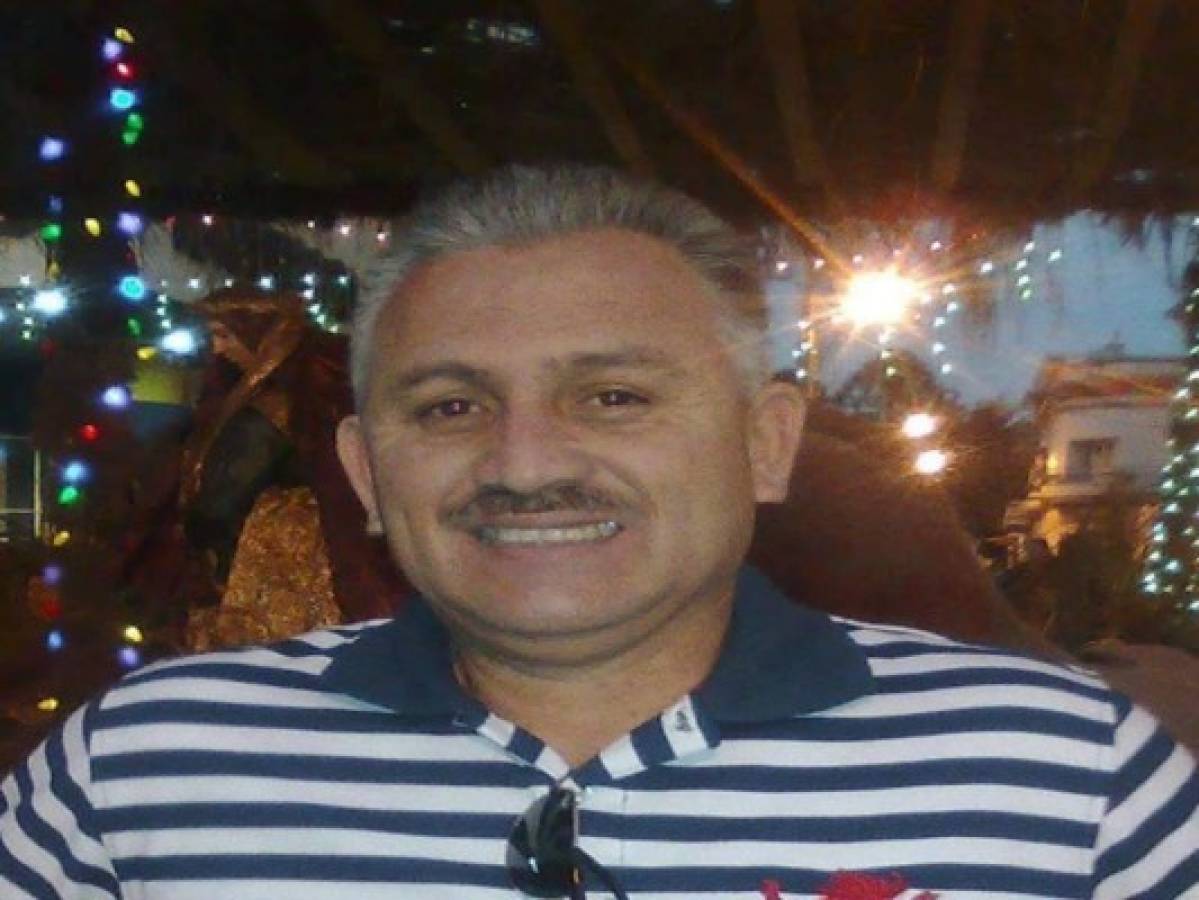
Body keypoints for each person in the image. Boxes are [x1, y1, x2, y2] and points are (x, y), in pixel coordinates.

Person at [2, 165, 1196, 899]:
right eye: (450, 406)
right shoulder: (140, 766)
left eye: (613, 396)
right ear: (364, 469)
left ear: (764, 443)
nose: (525, 465)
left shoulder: (1071, 777)